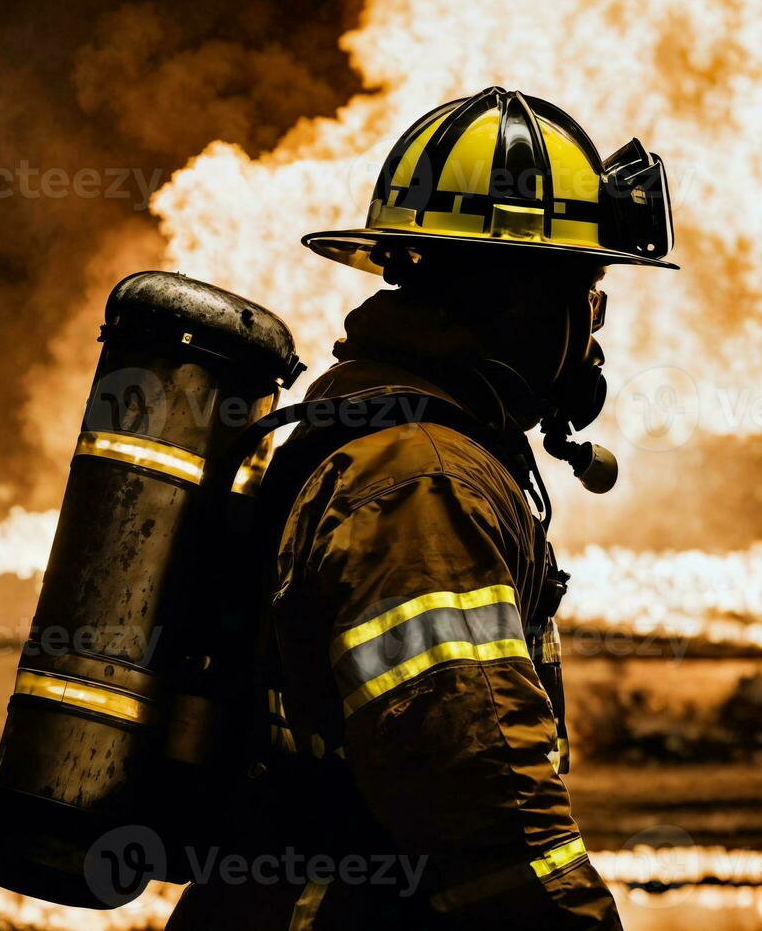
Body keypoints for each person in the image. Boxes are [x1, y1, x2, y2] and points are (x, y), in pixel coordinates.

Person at [168, 86, 676, 930]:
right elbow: (477, 792)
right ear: (516, 296)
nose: (590, 335)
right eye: (585, 292)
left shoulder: (354, 431)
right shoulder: (423, 482)